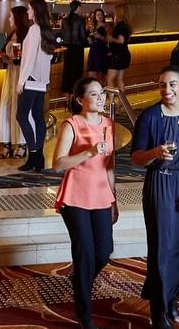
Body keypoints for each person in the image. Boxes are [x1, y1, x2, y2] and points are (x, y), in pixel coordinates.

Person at [131, 66, 179, 329]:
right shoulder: (150, 117)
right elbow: (135, 157)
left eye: (173, 84)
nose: (167, 90)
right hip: (160, 185)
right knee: (162, 250)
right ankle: (159, 309)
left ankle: (171, 293)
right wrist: (154, 152)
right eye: (163, 85)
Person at [53, 76, 117, 329]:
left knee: (103, 252)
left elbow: (110, 165)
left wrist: (114, 198)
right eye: (94, 94)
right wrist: (88, 152)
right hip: (76, 195)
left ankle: (80, 280)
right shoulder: (72, 124)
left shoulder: (109, 124)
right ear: (80, 100)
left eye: (101, 93)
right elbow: (58, 163)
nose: (101, 98)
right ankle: (85, 316)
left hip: (101, 193)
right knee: (85, 253)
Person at [17, 0, 58, 172]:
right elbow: (47, 57)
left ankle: (34, 153)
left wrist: (21, 81)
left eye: (29, 8)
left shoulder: (34, 30)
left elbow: (29, 58)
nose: (27, 11)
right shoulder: (45, 30)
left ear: (35, 10)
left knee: (22, 116)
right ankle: (38, 155)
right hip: (41, 81)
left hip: (31, 80)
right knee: (37, 117)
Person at [0, 5, 29, 160]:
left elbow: (21, 60)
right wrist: (2, 56)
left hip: (19, 75)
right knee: (6, 106)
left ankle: (22, 143)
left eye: (11, 16)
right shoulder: (11, 35)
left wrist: (10, 58)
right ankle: (7, 143)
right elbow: (10, 60)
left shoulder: (25, 36)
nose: (9, 19)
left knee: (18, 108)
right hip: (10, 74)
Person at [105, 17, 134, 123]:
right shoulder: (126, 27)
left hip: (118, 56)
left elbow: (120, 40)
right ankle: (121, 103)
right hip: (124, 54)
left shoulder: (120, 27)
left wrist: (111, 38)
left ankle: (112, 103)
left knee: (109, 79)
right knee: (120, 79)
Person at [60, 0, 89, 104]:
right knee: (76, 74)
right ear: (78, 7)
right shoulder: (80, 20)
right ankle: (73, 100)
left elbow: (62, 35)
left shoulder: (64, 20)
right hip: (77, 49)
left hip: (67, 49)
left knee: (67, 73)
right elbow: (82, 37)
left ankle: (67, 100)